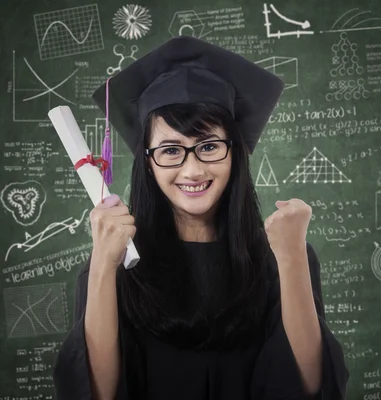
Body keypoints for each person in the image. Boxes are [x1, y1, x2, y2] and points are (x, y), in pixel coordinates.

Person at [52, 36, 349, 399]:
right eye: (170, 150)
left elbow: (310, 387)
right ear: (147, 161)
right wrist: (101, 264)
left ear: (235, 152)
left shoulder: (280, 257)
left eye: (208, 146)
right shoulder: (113, 261)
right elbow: (96, 393)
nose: (192, 170)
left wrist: (292, 259)